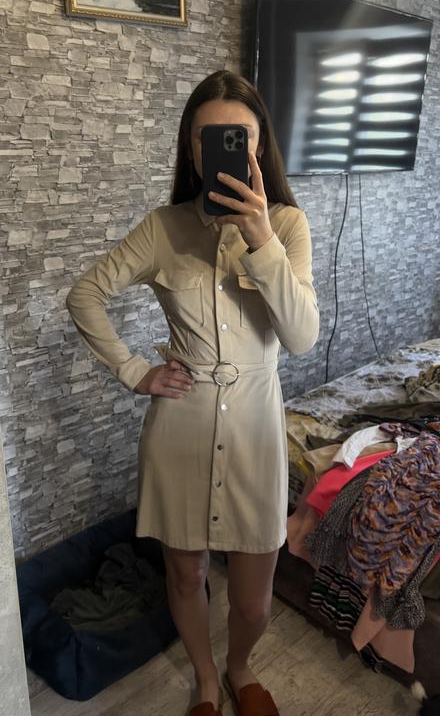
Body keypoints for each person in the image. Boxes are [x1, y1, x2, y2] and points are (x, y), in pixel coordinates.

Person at [66, 70, 320, 716]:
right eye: (210, 138)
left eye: (241, 137)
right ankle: (207, 680)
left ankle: (240, 667)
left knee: (254, 598)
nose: (224, 149)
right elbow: (85, 294)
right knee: (186, 574)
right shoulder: (163, 227)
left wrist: (260, 238)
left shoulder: (288, 226)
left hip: (256, 428)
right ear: (191, 148)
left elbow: (300, 337)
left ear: (260, 147)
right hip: (180, 422)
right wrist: (134, 371)